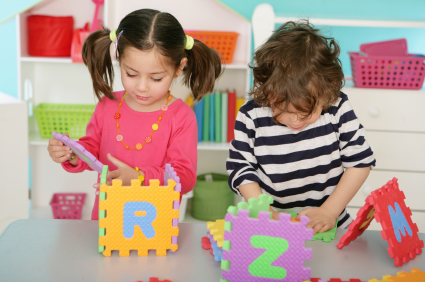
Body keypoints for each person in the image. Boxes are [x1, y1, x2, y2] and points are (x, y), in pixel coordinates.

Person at [47, 9, 222, 220]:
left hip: (156, 226)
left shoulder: (181, 116)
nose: (142, 87)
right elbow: (91, 149)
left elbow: (184, 178)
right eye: (131, 74)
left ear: (179, 67)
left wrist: (139, 177)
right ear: (119, 59)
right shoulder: (107, 105)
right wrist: (72, 154)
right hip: (106, 219)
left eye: (156, 78)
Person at [226, 21, 375, 234]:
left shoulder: (337, 107)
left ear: (327, 91)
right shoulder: (251, 115)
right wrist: (265, 212)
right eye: (281, 109)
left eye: (306, 113)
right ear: (267, 91)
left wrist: (329, 211)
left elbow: (360, 162)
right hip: (271, 224)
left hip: (330, 222)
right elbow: (241, 169)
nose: (294, 121)